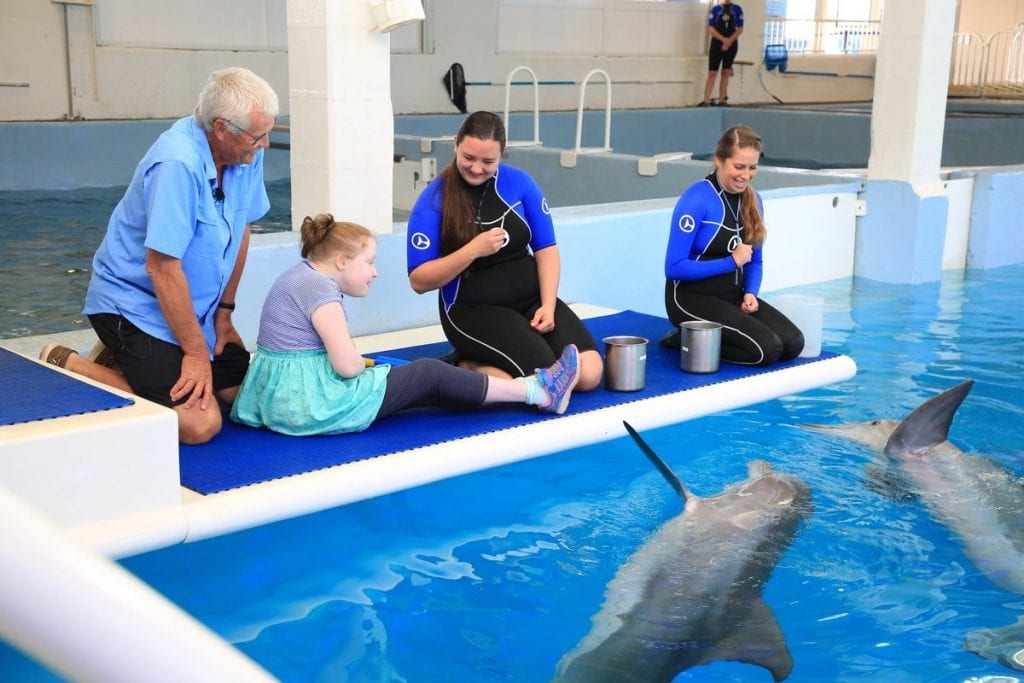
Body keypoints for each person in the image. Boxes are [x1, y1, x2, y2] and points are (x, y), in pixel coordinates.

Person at [39, 66, 278, 444]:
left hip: (192, 308)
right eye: (258, 136)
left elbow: (242, 225)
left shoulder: (244, 151)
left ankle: (140, 362)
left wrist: (224, 313)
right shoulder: (176, 164)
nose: (264, 144)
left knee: (240, 398)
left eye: (269, 132)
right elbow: (162, 267)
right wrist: (196, 354)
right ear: (220, 128)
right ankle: (74, 364)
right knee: (199, 425)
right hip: (134, 305)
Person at [230, 215, 580, 436]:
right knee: (428, 374)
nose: (374, 272)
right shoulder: (321, 290)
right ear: (341, 261)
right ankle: (538, 392)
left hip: (281, 395)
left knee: (415, 375)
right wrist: (361, 363)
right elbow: (348, 368)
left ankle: (471, 377)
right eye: (369, 263)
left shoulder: (298, 275)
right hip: (311, 405)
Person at [405, 111, 603, 391]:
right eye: (468, 158)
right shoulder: (434, 201)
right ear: (455, 144)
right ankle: (466, 364)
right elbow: (419, 280)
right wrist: (472, 250)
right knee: (545, 378)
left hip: (531, 300)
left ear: (502, 154)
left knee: (589, 374)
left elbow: (546, 249)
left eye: (488, 161)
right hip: (472, 310)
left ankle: (489, 363)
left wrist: (547, 304)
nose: (476, 168)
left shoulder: (520, 184)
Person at [663, 125, 803, 366]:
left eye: (752, 168)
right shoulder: (697, 199)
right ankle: (688, 339)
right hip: (690, 299)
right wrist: (731, 262)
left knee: (792, 344)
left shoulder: (753, 201)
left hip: (732, 297)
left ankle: (710, 336)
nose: (745, 175)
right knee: (767, 350)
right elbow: (673, 268)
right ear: (719, 160)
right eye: (738, 166)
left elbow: (755, 260)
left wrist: (751, 293)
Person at [702, 0, 744, 107]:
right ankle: (706, 100)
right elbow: (711, 29)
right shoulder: (715, 10)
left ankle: (722, 100)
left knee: (726, 72)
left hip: (732, 44)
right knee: (712, 73)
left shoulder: (737, 9)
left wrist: (729, 40)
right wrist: (723, 40)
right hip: (717, 44)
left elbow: (740, 29)